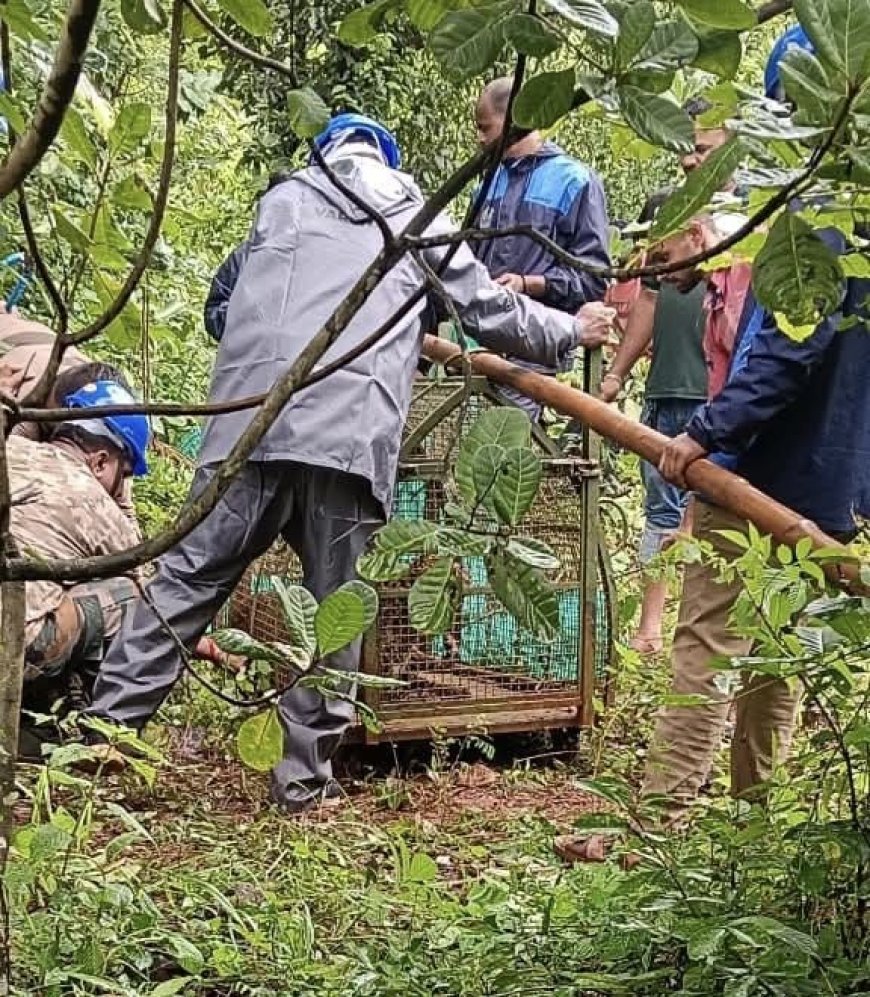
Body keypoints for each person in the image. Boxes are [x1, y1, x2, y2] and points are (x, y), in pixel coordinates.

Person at [83, 113, 617, 812]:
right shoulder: (408, 204)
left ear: (324, 153)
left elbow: (223, 307)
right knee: (340, 612)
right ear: (385, 156)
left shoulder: (280, 200)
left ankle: (97, 751)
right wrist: (570, 328)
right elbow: (484, 306)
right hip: (347, 439)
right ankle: (301, 787)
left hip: (247, 427)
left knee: (182, 585)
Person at [599, 103, 736, 654]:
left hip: (722, 399)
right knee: (661, 509)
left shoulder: (753, 218)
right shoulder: (665, 210)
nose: (689, 159)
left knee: (715, 516)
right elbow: (648, 300)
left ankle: (704, 631)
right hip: (668, 388)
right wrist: (615, 373)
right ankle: (651, 627)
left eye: (702, 148)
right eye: (685, 146)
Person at [12, 380, 150, 759]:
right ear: (102, 461)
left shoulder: (11, 448)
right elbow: (148, 581)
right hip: (11, 650)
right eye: (124, 475)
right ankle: (90, 731)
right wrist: (123, 502)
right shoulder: (92, 499)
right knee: (129, 593)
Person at [472, 77, 611, 415]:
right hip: (481, 347)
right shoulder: (488, 181)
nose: (480, 139)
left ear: (514, 121)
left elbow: (593, 279)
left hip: (537, 351)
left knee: (505, 454)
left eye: (484, 127)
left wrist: (529, 283)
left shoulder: (574, 180)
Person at [203, 170, 294, 342]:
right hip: (246, 358)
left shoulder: (308, 254)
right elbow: (213, 314)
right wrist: (249, 317)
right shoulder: (243, 257)